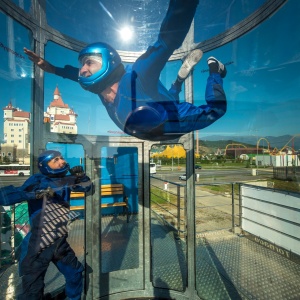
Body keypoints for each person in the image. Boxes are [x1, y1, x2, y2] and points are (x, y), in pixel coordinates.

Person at [24, 0, 227, 141]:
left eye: (89, 62)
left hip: (171, 122)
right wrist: (50, 68)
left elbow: (166, 41)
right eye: (81, 65)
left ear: (107, 61)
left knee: (215, 111)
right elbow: (72, 75)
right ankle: (179, 80)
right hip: (154, 114)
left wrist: (183, 5)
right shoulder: (101, 90)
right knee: (169, 97)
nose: (83, 70)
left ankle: (215, 71)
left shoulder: (136, 74)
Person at [0, 150, 92, 300]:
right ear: (45, 165)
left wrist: (82, 176)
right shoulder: (37, 180)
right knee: (33, 290)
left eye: (61, 158)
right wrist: (36, 194)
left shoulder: (65, 179)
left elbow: (87, 187)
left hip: (60, 243)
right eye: (55, 160)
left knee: (75, 273)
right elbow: (5, 197)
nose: (61, 161)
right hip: (38, 246)